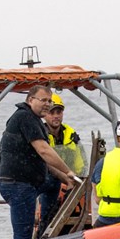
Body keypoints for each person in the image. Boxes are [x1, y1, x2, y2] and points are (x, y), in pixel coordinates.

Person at [0, 85, 76, 239]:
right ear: (30, 100)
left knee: (53, 182)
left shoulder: (35, 120)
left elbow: (44, 161)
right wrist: (68, 171)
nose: (47, 104)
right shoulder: (24, 117)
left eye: (50, 101)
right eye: (43, 100)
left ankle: (45, 227)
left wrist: (65, 178)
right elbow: (44, 151)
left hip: (31, 181)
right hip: (17, 184)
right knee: (23, 235)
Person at [36, 93, 85, 230]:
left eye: (59, 111)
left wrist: (79, 177)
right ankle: (44, 229)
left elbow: (81, 161)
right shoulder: (40, 135)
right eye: (52, 112)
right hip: (48, 182)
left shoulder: (71, 134)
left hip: (72, 183)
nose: (56, 115)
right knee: (49, 203)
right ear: (45, 114)